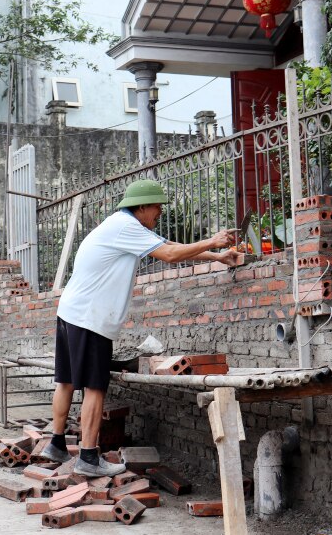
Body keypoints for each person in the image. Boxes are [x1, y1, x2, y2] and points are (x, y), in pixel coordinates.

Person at [38, 179, 242, 476]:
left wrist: (217, 256)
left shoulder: (122, 226)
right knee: (95, 387)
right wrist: (212, 241)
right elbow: (170, 254)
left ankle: (55, 445)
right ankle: (88, 458)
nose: (159, 212)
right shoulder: (126, 227)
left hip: (71, 312)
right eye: (157, 207)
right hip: (90, 319)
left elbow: (171, 247)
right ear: (142, 207)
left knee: (66, 381)